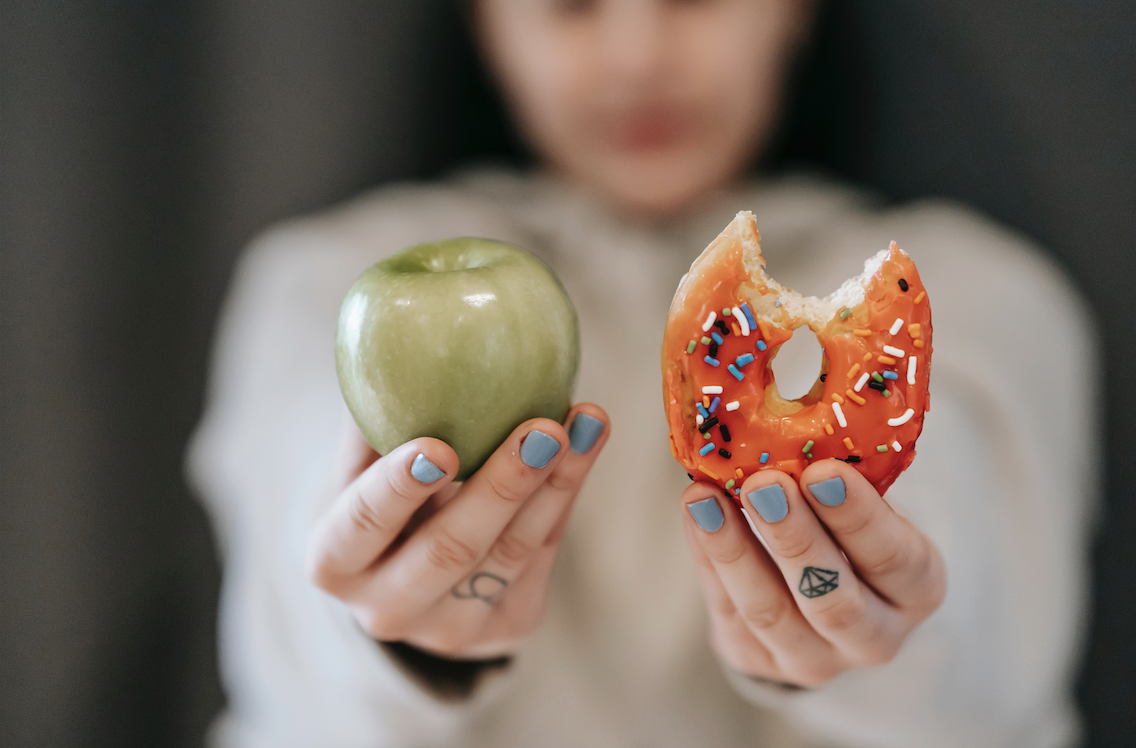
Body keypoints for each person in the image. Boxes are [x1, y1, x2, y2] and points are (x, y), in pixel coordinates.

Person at [187, 0, 1099, 745]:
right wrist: (387, 626)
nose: (636, 54)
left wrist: (887, 620)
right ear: (484, 22)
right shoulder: (316, 281)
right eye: (570, 4)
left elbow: (980, 581)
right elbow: (288, 582)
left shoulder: (986, 291)